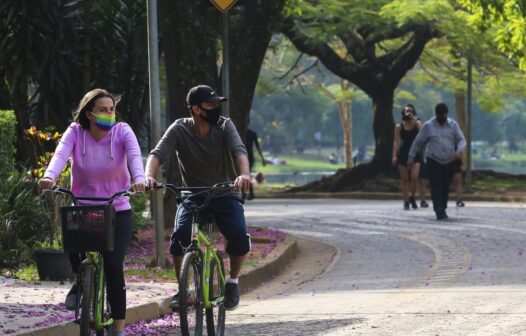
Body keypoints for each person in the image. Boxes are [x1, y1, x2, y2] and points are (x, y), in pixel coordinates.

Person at [38, 88, 145, 336]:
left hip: (117, 210)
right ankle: (81, 280)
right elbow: (60, 155)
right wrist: (49, 176)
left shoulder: (122, 131)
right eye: (103, 110)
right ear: (89, 114)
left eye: (112, 109)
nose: (109, 114)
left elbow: (134, 156)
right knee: (74, 249)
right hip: (84, 208)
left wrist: (138, 179)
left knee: (113, 264)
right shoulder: (76, 132)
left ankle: (118, 329)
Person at [144, 84, 251, 311]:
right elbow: (157, 154)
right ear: (196, 109)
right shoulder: (179, 129)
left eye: (216, 104)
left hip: (225, 193)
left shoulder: (224, 126)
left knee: (238, 235)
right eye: (210, 104)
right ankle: (183, 290)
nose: (215, 108)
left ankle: (232, 282)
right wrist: (148, 177)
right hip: (192, 195)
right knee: (180, 237)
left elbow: (239, 150)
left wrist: (244, 174)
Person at [408, 103, 466, 220]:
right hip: (433, 159)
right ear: (436, 115)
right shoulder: (428, 126)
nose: (442, 118)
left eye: (444, 116)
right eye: (440, 116)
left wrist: (459, 151)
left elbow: (461, 139)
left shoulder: (453, 125)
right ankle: (438, 209)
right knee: (436, 185)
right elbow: (417, 142)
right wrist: (411, 156)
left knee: (445, 186)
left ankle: (443, 207)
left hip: (449, 160)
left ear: (447, 114)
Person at [392, 104, 427, 210]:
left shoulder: (417, 124)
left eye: (411, 111)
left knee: (415, 177)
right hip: (403, 154)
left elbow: (423, 135)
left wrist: (416, 123)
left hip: (416, 154)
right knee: (405, 180)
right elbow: (396, 141)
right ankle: (406, 201)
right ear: (403, 113)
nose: (409, 113)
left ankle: (412, 196)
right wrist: (394, 155)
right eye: (407, 111)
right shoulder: (399, 127)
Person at [244, 124, 266, 200]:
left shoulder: (241, 133)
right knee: (246, 174)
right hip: (248, 157)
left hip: (247, 157)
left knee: (246, 174)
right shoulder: (251, 133)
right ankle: (247, 192)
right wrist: (262, 159)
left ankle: (249, 192)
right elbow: (258, 147)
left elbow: (257, 147)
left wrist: (263, 158)